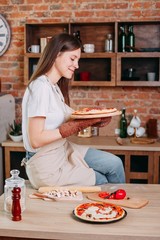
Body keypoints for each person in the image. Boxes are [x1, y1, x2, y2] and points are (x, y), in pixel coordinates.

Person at [22, 33, 125, 189]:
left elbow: (73, 115)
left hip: (62, 149)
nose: (76, 65)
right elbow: (36, 139)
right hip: (46, 164)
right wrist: (72, 128)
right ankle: (110, 208)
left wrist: (95, 118)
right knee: (103, 180)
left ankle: (117, 203)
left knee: (114, 164)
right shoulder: (40, 87)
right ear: (56, 54)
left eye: (78, 60)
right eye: (72, 59)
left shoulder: (53, 87)